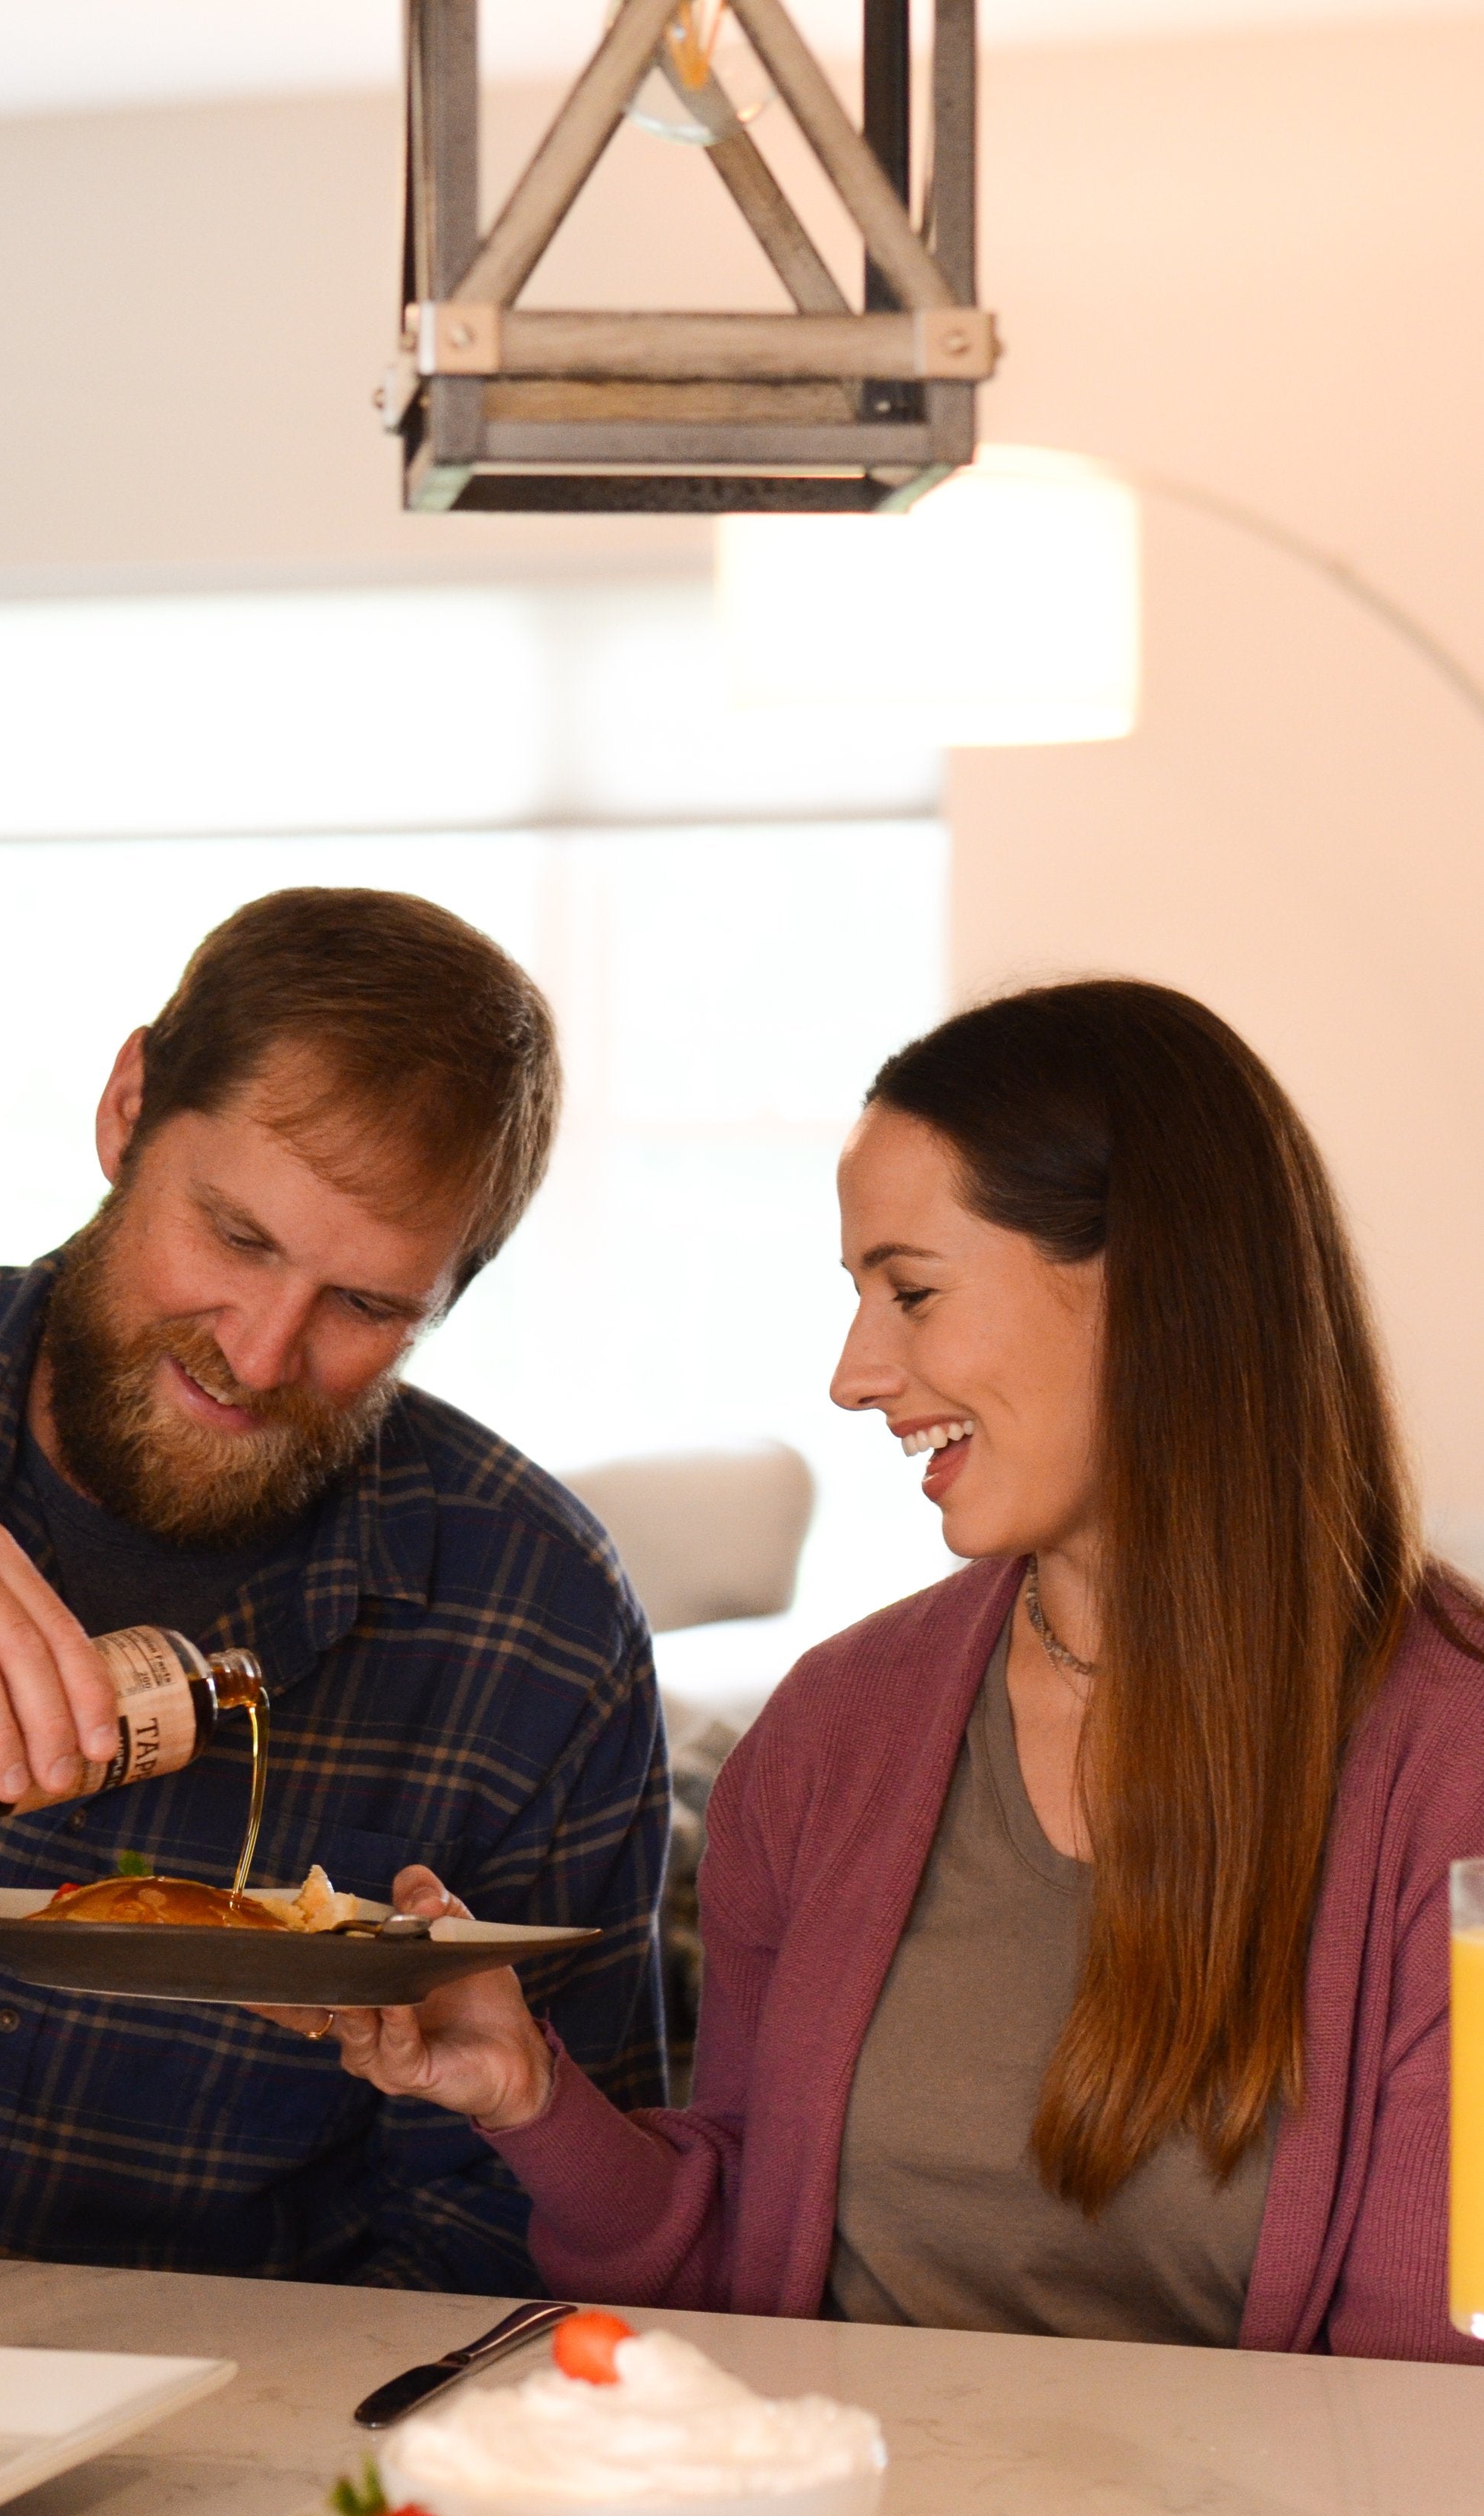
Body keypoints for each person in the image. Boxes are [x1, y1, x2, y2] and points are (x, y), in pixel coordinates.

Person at [302, 979, 1484, 2359]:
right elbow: (747, 2262)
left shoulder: (1452, 1764)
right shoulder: (831, 1731)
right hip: (842, 2493)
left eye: (912, 1292)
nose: (855, 1374)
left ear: (1156, 1283)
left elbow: (1432, 2391)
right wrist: (533, 2101)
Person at [0, 887, 667, 2289]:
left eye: (367, 1306)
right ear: (127, 1110)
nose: (262, 1355)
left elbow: (504, 2243)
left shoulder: (538, 1620)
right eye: (236, 1237)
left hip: (224, 2408)